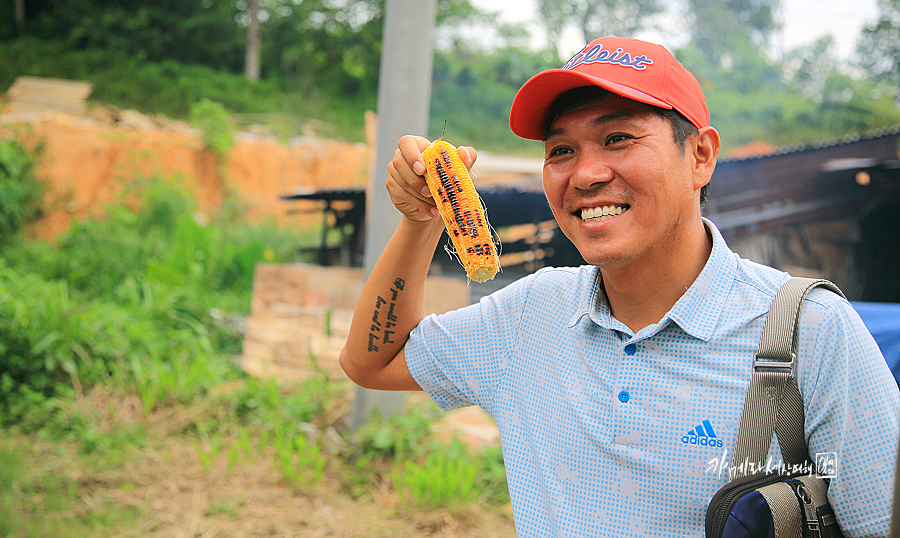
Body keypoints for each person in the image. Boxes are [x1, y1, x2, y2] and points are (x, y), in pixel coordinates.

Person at [340, 36, 899, 537]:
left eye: (617, 138)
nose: (584, 174)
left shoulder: (811, 332)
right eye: (560, 150)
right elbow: (372, 363)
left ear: (700, 155)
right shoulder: (531, 314)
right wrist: (419, 221)